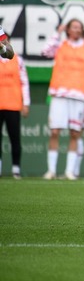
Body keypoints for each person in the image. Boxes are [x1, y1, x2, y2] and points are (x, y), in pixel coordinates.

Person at [41, 20, 84, 180]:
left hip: (79, 95)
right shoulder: (60, 45)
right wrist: (57, 33)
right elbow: (45, 52)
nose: (77, 30)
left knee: (75, 133)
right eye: (74, 27)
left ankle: (69, 171)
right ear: (68, 29)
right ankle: (51, 171)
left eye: (79, 28)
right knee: (55, 131)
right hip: (59, 93)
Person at [0, 32, 29, 179]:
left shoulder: (17, 59)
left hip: (12, 103)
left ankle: (16, 169)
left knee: (14, 138)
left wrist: (26, 103)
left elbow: (24, 82)